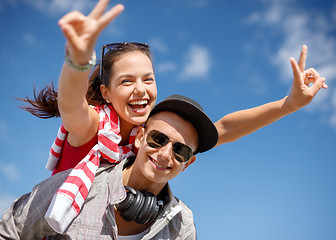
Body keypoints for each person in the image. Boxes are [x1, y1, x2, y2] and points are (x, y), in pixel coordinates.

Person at [18, 0, 326, 234]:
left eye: (148, 79)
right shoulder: (95, 125)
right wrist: (77, 59)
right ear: (106, 92)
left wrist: (289, 104)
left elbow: (226, 128)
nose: (140, 89)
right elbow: (71, 105)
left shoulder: (152, 129)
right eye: (127, 81)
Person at [0, 94, 218, 239]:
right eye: (158, 139)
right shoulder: (80, 187)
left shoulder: (182, 224)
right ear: (140, 137)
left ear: (188, 163)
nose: (164, 154)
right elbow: (10, 230)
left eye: (180, 151)